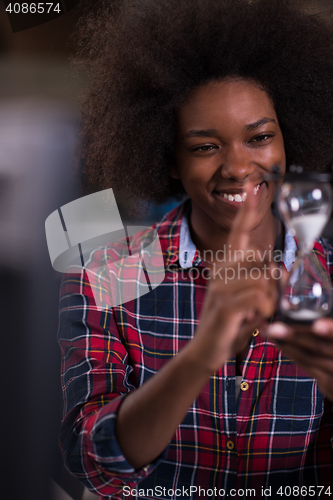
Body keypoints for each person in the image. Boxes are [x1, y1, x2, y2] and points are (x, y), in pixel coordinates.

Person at [58, 0, 333, 498]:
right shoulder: (110, 273)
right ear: (167, 158)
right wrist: (200, 355)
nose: (237, 167)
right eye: (206, 146)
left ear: (289, 139)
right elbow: (90, 458)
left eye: (260, 138)